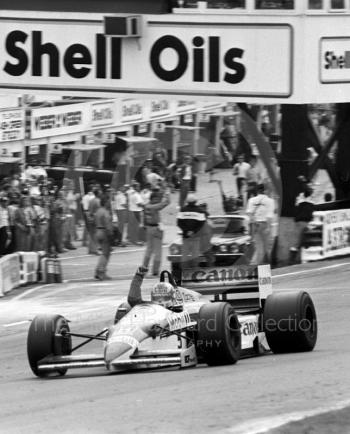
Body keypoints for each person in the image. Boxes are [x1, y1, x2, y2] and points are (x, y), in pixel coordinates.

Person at [142, 187, 170, 276]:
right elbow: (165, 203)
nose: (158, 200)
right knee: (158, 251)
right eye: (157, 199)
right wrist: (167, 194)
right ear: (153, 199)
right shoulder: (154, 207)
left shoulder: (146, 206)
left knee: (148, 250)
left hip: (149, 228)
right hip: (156, 229)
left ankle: (144, 268)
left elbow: (144, 220)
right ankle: (155, 270)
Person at [246, 184, 274, 264]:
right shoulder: (270, 201)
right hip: (265, 224)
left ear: (257, 191)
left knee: (259, 248)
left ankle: (260, 268)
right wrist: (268, 227)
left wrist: (254, 223)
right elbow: (269, 216)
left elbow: (249, 214)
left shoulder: (251, 200)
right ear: (266, 191)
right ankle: (267, 268)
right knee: (267, 248)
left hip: (255, 225)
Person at [177, 194, 207, 269]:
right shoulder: (200, 211)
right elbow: (202, 224)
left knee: (184, 255)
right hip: (196, 236)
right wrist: (193, 231)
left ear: (187, 201)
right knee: (195, 255)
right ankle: (194, 272)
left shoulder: (182, 210)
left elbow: (179, 223)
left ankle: (183, 272)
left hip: (185, 237)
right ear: (195, 201)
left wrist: (186, 231)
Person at [94, 194, 113, 280]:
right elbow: (107, 224)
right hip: (104, 232)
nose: (110, 203)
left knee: (104, 253)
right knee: (105, 254)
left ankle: (98, 271)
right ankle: (101, 272)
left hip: (98, 231)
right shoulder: (105, 212)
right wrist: (110, 234)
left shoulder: (98, 211)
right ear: (105, 202)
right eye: (108, 201)